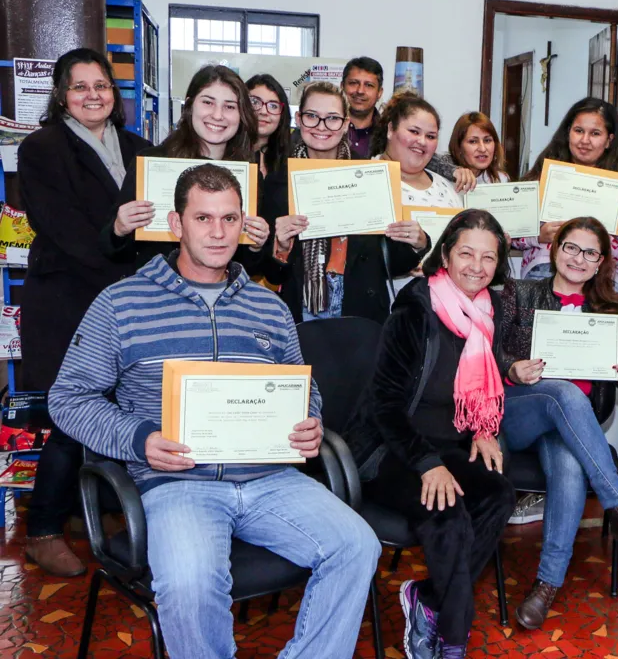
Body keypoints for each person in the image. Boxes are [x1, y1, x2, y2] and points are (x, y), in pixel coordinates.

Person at [48, 163, 381, 659]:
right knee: (187, 582)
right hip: (179, 482)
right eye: (203, 218)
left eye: (229, 218)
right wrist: (139, 439)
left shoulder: (267, 308)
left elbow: (300, 386)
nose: (218, 232)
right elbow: (69, 397)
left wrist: (309, 421)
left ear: (243, 223)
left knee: (358, 545)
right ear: (176, 224)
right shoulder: (121, 303)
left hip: (270, 479)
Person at [346, 209, 517, 659]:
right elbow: (385, 405)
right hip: (391, 449)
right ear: (444, 253)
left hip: (448, 444)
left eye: (488, 258)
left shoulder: (486, 310)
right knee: (449, 514)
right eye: (466, 254)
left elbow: (486, 382)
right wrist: (427, 463)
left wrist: (484, 430)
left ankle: (430, 599)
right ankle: (453, 640)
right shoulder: (415, 306)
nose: (477, 267)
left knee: (499, 494)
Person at [18, 48, 151, 576]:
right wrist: (122, 256)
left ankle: (94, 508)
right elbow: (62, 228)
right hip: (69, 297)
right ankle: (43, 529)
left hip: (125, 296)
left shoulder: (141, 148)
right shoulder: (41, 148)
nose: (93, 95)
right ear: (61, 94)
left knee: (124, 406)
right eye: (80, 87)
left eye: (102, 85)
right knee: (70, 413)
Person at [499, 217, 618, 629]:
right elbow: (491, 353)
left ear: (600, 264)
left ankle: (546, 586)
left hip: (570, 429)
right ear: (555, 249)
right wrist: (512, 368)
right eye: (572, 247)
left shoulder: (609, 306)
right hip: (521, 411)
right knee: (567, 392)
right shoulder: (520, 292)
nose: (579, 258)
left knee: (571, 464)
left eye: (590, 253)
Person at [265, 81, 429, 323]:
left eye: (332, 118)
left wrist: (418, 242)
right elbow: (272, 274)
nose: (321, 126)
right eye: (312, 116)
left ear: (345, 124)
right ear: (299, 119)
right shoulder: (277, 181)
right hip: (301, 309)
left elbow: (391, 262)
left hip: (360, 308)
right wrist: (280, 246)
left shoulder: (371, 175)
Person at [103, 64, 271, 271]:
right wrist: (119, 229)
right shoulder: (151, 163)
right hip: (157, 294)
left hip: (218, 297)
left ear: (241, 115)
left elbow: (248, 266)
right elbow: (111, 251)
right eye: (208, 103)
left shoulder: (248, 177)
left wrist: (256, 245)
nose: (218, 115)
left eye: (229, 106)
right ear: (190, 106)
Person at [514, 98, 618, 296]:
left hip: (606, 281)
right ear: (568, 133)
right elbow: (508, 234)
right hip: (546, 271)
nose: (585, 140)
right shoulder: (541, 178)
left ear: (609, 140)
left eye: (595, 133)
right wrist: (538, 236)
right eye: (579, 131)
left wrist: (596, 249)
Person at [371, 92, 475, 208]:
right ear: (390, 130)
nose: (422, 141)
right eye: (414, 132)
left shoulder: (450, 189)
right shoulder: (362, 181)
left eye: (430, 136)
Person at [246, 73, 291, 178]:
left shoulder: (291, 159)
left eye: (273, 106)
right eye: (254, 102)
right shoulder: (224, 155)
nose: (263, 111)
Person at [341, 56, 384, 159]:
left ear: (379, 93)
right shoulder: (324, 129)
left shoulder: (388, 133)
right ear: (342, 86)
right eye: (353, 83)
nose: (360, 91)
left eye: (369, 85)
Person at [448, 111, 509, 183]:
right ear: (459, 147)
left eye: (487, 140)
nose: (482, 149)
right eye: (473, 141)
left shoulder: (501, 180)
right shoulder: (444, 180)